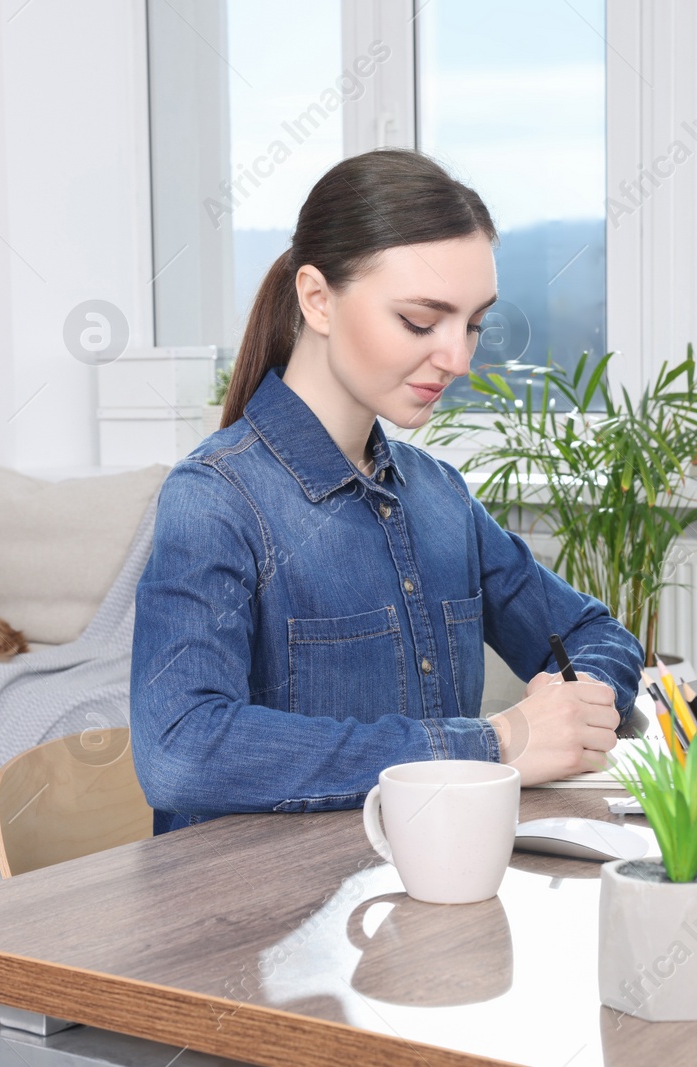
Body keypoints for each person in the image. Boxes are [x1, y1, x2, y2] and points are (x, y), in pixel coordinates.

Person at [129, 148, 645, 835]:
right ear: (318, 299)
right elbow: (181, 750)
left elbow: (593, 631)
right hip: (259, 923)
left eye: (473, 323)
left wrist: (574, 702)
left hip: (428, 888)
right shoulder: (214, 500)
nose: (458, 358)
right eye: (420, 321)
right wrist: (494, 741)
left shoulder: (439, 496)